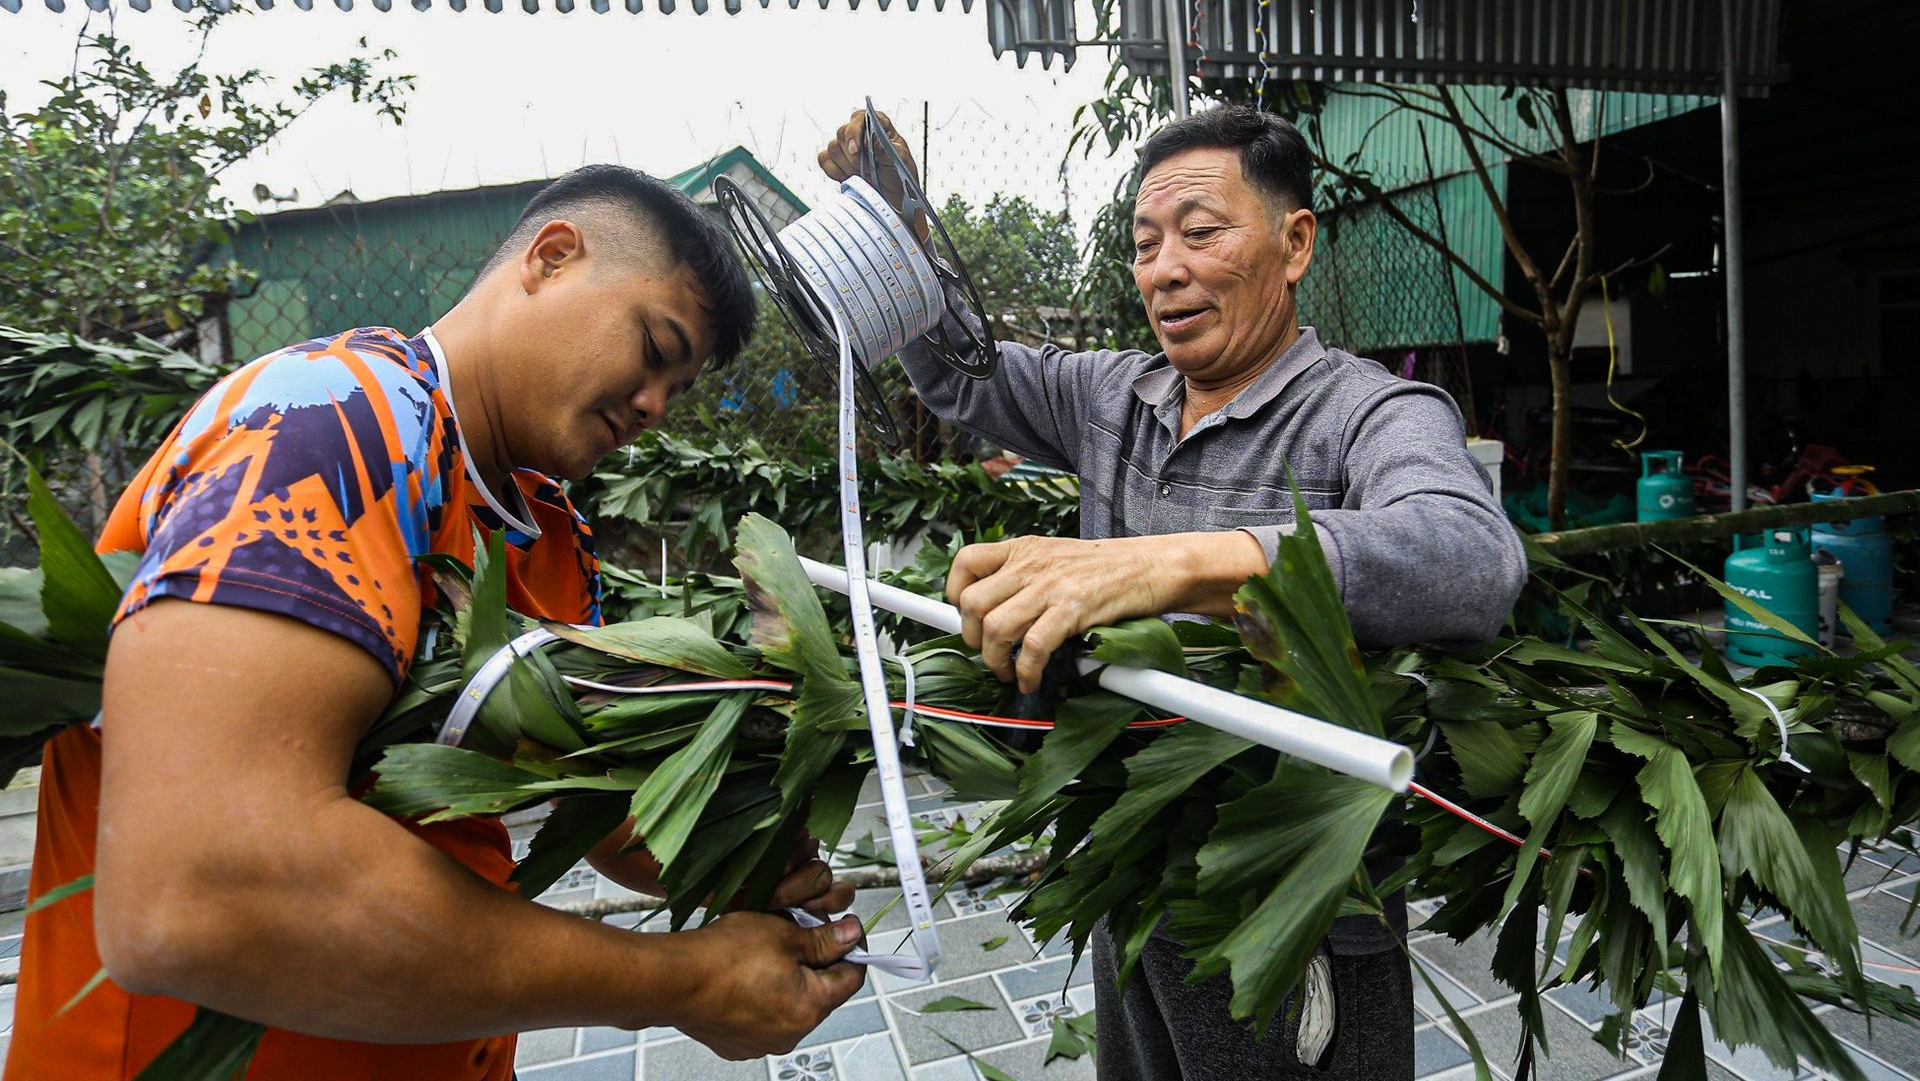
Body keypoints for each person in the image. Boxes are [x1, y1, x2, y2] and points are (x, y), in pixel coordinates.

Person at [8, 165, 867, 1081]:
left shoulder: (546, 536)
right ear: (552, 256)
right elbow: (203, 891)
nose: (654, 406)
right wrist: (677, 982)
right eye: (655, 346)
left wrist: (741, 856)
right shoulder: (331, 426)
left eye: (679, 388)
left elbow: (596, 813)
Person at [820, 105, 1528, 1080]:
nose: (1163, 269)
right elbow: (962, 374)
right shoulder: (1113, 394)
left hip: (1297, 918)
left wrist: (1175, 562)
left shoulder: (1370, 412)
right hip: (1135, 866)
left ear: (1295, 242)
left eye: (1201, 232)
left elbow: (1470, 555)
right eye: (1146, 243)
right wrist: (900, 237)